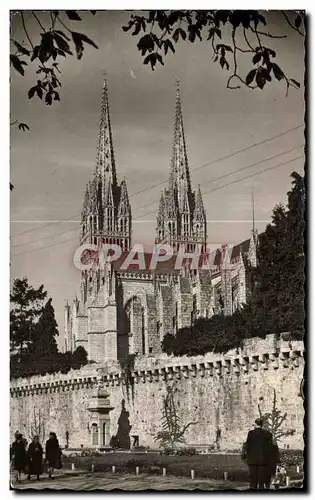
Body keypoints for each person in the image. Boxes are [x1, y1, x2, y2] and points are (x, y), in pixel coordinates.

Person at [244, 417, 273, 489]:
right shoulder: (268, 434)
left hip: (252, 461)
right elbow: (270, 449)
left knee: (253, 483)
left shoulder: (250, 434)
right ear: (262, 424)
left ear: (255, 424)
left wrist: (249, 457)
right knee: (261, 483)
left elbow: (247, 447)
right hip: (263, 462)